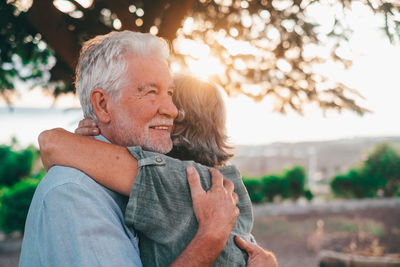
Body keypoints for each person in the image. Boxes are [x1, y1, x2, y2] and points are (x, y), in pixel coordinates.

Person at [19, 31, 243, 267]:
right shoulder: (75, 193)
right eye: (151, 92)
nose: (173, 110)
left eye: (170, 93)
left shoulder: (151, 179)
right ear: (102, 105)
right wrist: (211, 237)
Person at [39, 75, 277, 266]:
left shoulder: (175, 180)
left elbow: (52, 143)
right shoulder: (226, 182)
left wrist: (94, 140)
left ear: (173, 119)